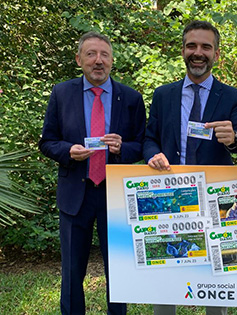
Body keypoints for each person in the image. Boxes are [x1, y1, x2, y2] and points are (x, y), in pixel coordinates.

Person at [143, 20, 237, 315]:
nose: (198, 52)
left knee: (216, 278)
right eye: (192, 45)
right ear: (183, 51)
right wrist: (152, 155)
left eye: (206, 46)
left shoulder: (233, 96)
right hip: (169, 196)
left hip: (215, 198)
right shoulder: (163, 95)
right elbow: (149, 137)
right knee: (166, 272)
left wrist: (235, 138)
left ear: (217, 54)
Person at [39, 31, 146, 315]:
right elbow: (47, 142)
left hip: (115, 196)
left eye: (104, 55)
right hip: (76, 193)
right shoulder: (62, 93)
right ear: (78, 59)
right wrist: (67, 152)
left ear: (112, 61)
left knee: (119, 272)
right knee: (72, 272)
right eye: (91, 54)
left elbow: (142, 145)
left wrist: (123, 148)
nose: (98, 61)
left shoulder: (132, 98)